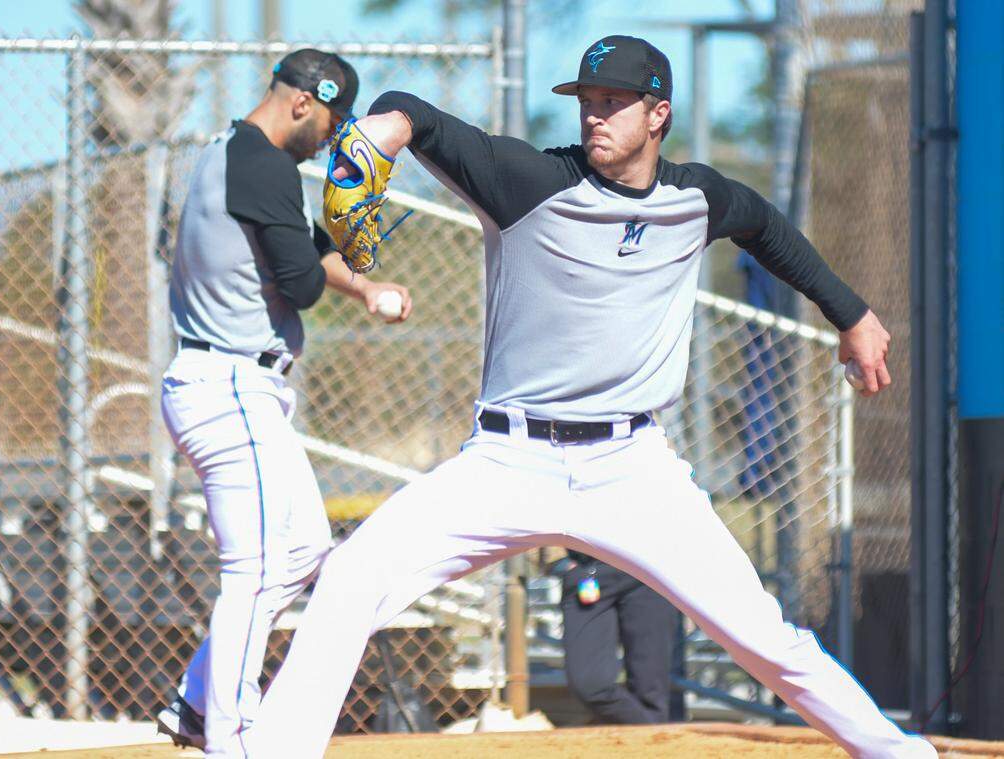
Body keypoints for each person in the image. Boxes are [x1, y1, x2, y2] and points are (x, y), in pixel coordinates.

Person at [242, 35, 936, 759]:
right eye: (587, 103)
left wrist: (851, 315)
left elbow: (766, 227)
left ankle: (900, 753)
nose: (595, 117)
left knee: (764, 638)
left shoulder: (694, 199)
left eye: (613, 103)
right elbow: (420, 117)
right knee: (353, 578)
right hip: (508, 462)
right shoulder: (528, 181)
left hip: (632, 466)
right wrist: (385, 127)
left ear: (658, 112)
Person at [152, 48, 413, 758]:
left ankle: (196, 701)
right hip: (229, 384)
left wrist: (363, 285)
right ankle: (231, 736)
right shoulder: (264, 163)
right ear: (304, 101)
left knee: (302, 549)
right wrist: (345, 246)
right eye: (331, 124)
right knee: (259, 569)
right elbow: (298, 280)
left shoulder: (226, 152)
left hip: (229, 383)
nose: (331, 138)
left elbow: (291, 248)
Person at [559, 550, 676, 723]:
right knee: (591, 685)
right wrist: (560, 564)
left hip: (649, 569)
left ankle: (651, 745)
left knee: (650, 689)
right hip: (587, 569)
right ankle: (656, 737)